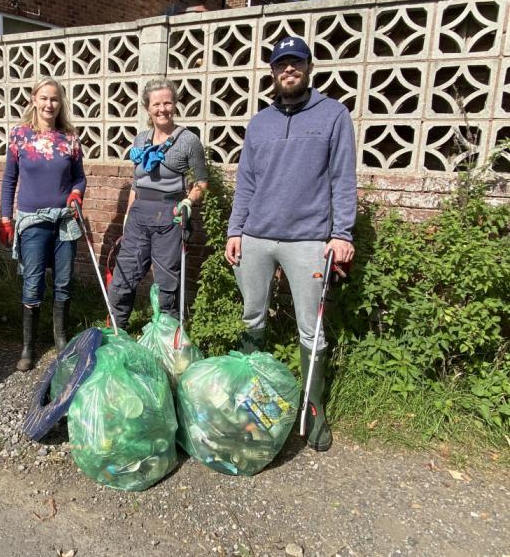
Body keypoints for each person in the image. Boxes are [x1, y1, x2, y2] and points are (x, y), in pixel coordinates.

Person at [224, 36, 357, 452]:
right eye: (281, 64)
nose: (289, 70)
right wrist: (234, 230)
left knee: (310, 328)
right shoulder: (259, 122)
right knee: (252, 317)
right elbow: (245, 182)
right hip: (257, 236)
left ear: (308, 67)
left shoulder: (334, 115)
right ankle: (253, 402)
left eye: (295, 63)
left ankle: (312, 411)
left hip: (309, 240)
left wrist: (343, 234)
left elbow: (342, 178)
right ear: (272, 71)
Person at [0, 77, 86, 372]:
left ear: (60, 103)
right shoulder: (19, 136)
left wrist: (76, 193)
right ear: (34, 99)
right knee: (33, 282)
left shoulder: (70, 138)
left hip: (64, 220)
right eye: (44, 98)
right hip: (32, 221)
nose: (50, 104)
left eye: (55, 99)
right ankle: (28, 346)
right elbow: (9, 180)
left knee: (63, 281)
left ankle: (60, 338)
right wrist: (5, 217)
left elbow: (79, 177)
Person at [107, 78, 208, 330]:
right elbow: (136, 183)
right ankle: (116, 333)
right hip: (140, 214)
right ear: (147, 108)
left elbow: (201, 182)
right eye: (156, 104)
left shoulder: (188, 141)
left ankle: (167, 339)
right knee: (124, 276)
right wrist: (127, 219)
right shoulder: (141, 140)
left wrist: (188, 200)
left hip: (170, 215)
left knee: (166, 281)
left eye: (168, 103)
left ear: (175, 104)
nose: (162, 109)